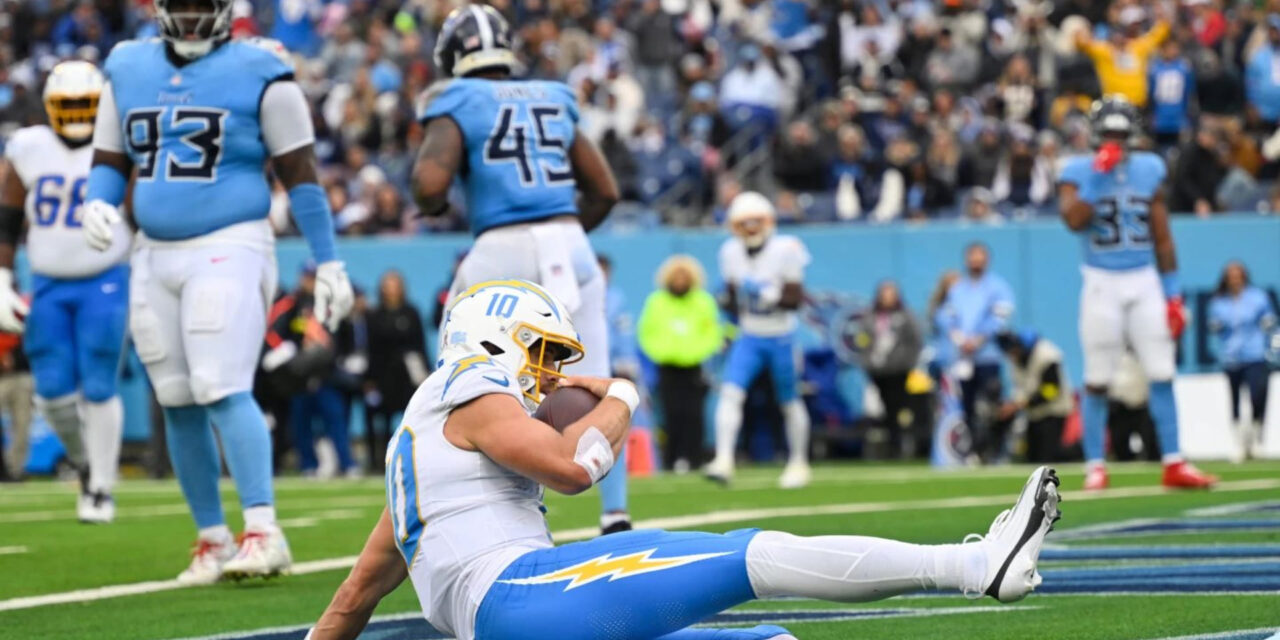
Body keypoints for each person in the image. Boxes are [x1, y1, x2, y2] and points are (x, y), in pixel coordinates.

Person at [304, 279, 1062, 640]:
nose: (546, 375)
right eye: (540, 353)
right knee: (748, 555)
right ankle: (970, 567)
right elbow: (572, 470)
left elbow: (350, 601)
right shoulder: (469, 383)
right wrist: (623, 396)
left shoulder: (420, 467)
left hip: (524, 617)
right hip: (526, 602)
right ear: (496, 338)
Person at [81, 0, 355, 583]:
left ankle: (264, 529)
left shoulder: (261, 69)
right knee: (176, 396)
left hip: (231, 242)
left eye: (200, 3)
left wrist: (327, 260)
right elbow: (109, 158)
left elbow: (301, 174)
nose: (189, 15)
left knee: (220, 384)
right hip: (154, 249)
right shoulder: (127, 66)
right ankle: (212, 538)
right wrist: (98, 199)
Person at [412, 5, 628, 535]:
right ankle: (616, 515)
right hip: (571, 244)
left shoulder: (457, 99)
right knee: (601, 381)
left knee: (459, 375)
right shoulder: (552, 94)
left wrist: (444, 205)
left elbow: (428, 188)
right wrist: (561, 230)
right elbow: (605, 191)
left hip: (501, 247)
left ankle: (459, 501)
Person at [1057, 95, 1216, 490]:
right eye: (1108, 132)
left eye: (1120, 133)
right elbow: (1074, 220)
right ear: (1095, 134)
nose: (1113, 139)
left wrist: (1173, 294)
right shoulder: (1076, 169)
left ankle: (1174, 461)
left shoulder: (1148, 168)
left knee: (1162, 371)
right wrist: (1097, 176)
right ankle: (1095, 465)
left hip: (1144, 278)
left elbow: (1162, 237)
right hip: (1100, 279)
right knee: (1097, 378)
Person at [0, 61, 128, 522]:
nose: (76, 113)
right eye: (67, 104)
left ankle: (101, 487)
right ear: (50, 107)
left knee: (98, 382)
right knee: (51, 393)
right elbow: (8, 217)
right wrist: (1, 277)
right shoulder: (29, 147)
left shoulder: (117, 142)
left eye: (85, 105)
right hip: (49, 281)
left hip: (106, 276)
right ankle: (84, 460)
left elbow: (140, 211)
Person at [706, 192, 812, 489]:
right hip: (750, 334)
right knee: (730, 393)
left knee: (789, 401)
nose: (751, 229)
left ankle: (799, 462)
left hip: (781, 335)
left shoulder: (787, 248)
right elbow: (731, 303)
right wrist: (727, 299)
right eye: (745, 223)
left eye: (756, 222)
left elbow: (794, 300)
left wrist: (769, 295)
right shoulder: (730, 252)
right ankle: (724, 459)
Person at [637, 254, 722, 472]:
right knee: (671, 412)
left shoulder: (703, 301)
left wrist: (696, 353)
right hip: (667, 366)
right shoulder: (656, 302)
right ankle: (671, 458)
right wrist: (664, 353)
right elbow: (647, 333)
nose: (680, 279)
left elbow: (711, 332)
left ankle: (695, 457)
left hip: (694, 366)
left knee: (694, 413)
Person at [940, 243, 1015, 463]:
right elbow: (947, 317)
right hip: (963, 357)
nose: (976, 261)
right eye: (972, 256)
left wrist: (980, 339)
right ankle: (973, 450)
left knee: (992, 404)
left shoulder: (997, 287)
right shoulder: (957, 289)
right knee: (967, 406)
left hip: (988, 356)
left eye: (980, 256)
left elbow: (1001, 316)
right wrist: (960, 339)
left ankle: (996, 449)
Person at [1208, 261, 1276, 460]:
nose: (1235, 279)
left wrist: (1273, 347)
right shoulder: (1219, 301)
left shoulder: (1258, 297)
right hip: (1231, 357)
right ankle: (1238, 442)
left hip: (1255, 355)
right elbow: (1213, 330)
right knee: (1235, 398)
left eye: (1238, 275)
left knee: (1257, 396)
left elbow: (1272, 324)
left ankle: (1255, 439)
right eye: (1231, 275)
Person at [365, 270, 428, 473]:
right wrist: (369, 379)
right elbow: (371, 348)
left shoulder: (411, 312)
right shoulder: (374, 315)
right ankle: (378, 460)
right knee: (379, 418)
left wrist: (425, 374)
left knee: (411, 418)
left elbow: (419, 345)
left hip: (407, 376)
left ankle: (412, 459)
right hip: (383, 375)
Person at [857, 280, 923, 456]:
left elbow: (915, 341)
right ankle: (887, 443)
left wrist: (907, 362)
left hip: (898, 370)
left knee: (897, 406)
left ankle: (897, 444)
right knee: (881, 408)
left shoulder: (906, 316)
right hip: (877, 370)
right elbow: (862, 341)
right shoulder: (871, 316)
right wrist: (867, 362)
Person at [995, 331, 1074, 463]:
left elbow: (1051, 391)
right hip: (1033, 414)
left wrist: (1019, 405)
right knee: (1033, 456)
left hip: (1054, 412)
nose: (1012, 356)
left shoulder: (1047, 356)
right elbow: (1020, 388)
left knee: (1048, 456)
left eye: (1013, 351)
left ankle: (1077, 452)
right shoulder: (1016, 360)